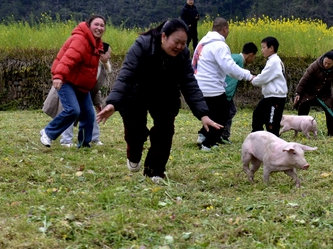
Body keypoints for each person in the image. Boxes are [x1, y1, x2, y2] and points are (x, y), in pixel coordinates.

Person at [96, 19, 220, 182]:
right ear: (163, 37)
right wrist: (113, 103)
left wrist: (203, 114)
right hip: (136, 92)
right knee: (136, 134)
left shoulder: (182, 54)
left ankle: (154, 171)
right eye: (176, 42)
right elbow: (127, 75)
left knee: (165, 130)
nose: (180, 47)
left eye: (184, 43)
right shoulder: (142, 45)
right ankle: (134, 154)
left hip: (165, 94)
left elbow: (189, 83)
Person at [40, 15, 105, 148]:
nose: (99, 28)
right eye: (96, 24)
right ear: (88, 25)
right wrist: (58, 75)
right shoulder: (81, 40)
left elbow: (90, 70)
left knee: (88, 115)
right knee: (72, 110)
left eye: (102, 25)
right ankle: (48, 132)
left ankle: (84, 144)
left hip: (81, 85)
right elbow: (68, 59)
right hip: (67, 81)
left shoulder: (97, 44)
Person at [192, 18, 254, 150]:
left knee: (213, 114)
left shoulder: (202, 43)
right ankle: (207, 143)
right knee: (223, 114)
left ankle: (205, 137)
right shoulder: (219, 45)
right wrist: (248, 76)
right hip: (211, 86)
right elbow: (229, 67)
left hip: (198, 84)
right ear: (225, 29)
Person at [43, 45, 112, 146]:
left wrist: (98, 103)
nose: (110, 56)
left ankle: (93, 139)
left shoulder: (101, 69)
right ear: (101, 54)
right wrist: (58, 77)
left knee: (91, 114)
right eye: (109, 53)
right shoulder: (85, 62)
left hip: (83, 92)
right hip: (68, 88)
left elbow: (94, 88)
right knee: (71, 112)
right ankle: (64, 140)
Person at [198, 42, 257, 145]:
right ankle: (211, 135)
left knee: (223, 113)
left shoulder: (235, 57)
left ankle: (213, 134)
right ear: (251, 54)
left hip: (224, 91)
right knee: (224, 113)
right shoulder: (237, 59)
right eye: (254, 57)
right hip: (223, 92)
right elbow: (229, 71)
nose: (253, 60)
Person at [293, 49, 333, 137]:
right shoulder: (315, 65)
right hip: (310, 92)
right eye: (325, 62)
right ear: (323, 59)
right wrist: (298, 93)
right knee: (303, 105)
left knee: (331, 110)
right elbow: (305, 79)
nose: (326, 65)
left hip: (324, 95)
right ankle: (301, 128)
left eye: (329, 64)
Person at [251, 36, 288, 135]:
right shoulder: (273, 61)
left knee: (272, 123)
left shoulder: (274, 62)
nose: (262, 50)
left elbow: (263, 77)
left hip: (275, 98)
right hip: (270, 97)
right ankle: (258, 137)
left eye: (263, 47)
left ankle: (273, 143)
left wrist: (253, 79)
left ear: (271, 48)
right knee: (257, 115)